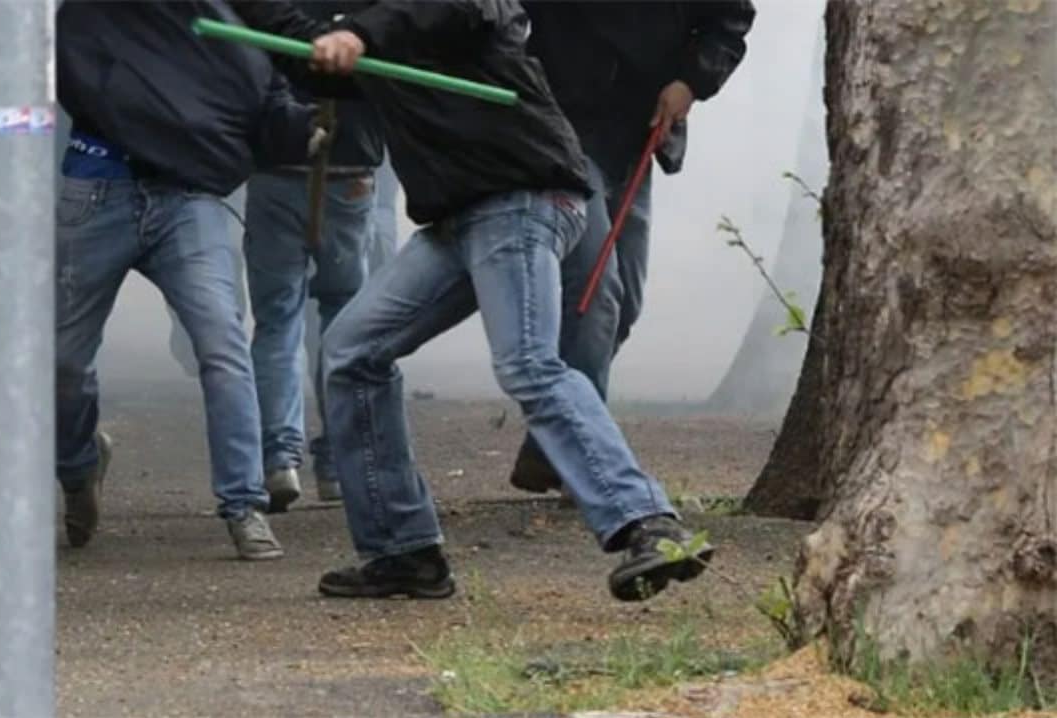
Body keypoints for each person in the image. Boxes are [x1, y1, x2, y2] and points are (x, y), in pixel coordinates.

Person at [227, 0, 713, 602]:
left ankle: (649, 524)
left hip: (521, 194)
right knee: (350, 353)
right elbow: (314, 58)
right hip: (460, 215)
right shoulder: (372, 19)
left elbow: (457, 8)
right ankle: (403, 550)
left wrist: (356, 33)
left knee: (529, 363)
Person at [54, 0, 320, 559]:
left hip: (189, 200)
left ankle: (244, 504)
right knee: (62, 360)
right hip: (98, 191)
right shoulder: (99, 13)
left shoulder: (239, 19)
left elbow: (266, 111)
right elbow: (86, 79)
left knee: (223, 345)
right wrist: (187, 128)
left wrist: (313, 124)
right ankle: (78, 467)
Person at [509, 1, 756, 494]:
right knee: (596, 295)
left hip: (640, 134)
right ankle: (588, 464)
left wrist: (690, 82)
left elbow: (728, 19)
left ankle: (550, 446)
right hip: (562, 131)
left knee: (623, 306)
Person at [244, 1, 388, 510]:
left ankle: (278, 458)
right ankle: (337, 462)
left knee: (276, 318)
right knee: (344, 318)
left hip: (276, 165)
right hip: (351, 167)